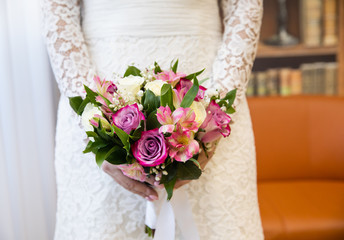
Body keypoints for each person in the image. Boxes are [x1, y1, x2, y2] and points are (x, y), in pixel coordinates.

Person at [42, 0, 264, 239]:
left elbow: (245, 6)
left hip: (208, 87)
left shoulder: (212, 114)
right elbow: (58, 11)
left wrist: (215, 115)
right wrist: (95, 122)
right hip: (101, 89)